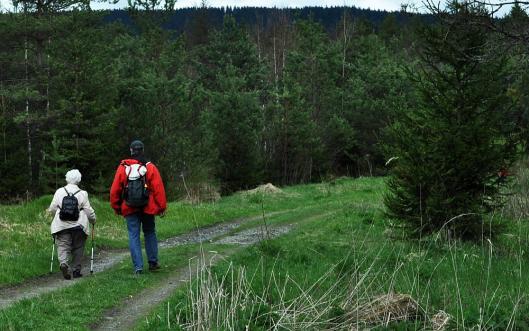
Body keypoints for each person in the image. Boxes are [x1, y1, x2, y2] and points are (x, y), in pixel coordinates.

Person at [110, 140, 166, 274]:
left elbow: (115, 190)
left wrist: (117, 207)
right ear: (143, 150)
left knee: (133, 235)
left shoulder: (123, 168)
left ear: (131, 150)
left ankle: (138, 267)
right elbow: (158, 188)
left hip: (129, 207)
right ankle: (153, 262)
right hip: (148, 206)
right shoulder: (150, 167)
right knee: (150, 232)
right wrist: (161, 207)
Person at [48, 169, 96, 280]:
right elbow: (88, 210)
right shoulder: (83, 193)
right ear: (79, 180)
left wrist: (56, 215)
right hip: (79, 226)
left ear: (67, 179)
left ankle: (64, 263)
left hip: (61, 225)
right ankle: (76, 270)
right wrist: (93, 220)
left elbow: (52, 209)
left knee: (63, 246)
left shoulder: (59, 191)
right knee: (78, 247)